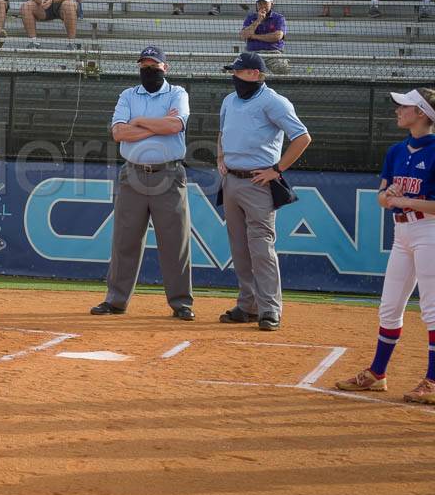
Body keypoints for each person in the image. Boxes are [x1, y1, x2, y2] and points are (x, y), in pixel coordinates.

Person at [334, 89, 435, 404]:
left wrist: (400, 198)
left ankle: (432, 380)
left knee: (432, 310)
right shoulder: (396, 150)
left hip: (429, 231)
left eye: (404, 106)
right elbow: (381, 197)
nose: (397, 110)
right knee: (389, 308)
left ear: (420, 112)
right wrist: (390, 195)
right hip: (402, 232)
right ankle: (377, 374)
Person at [91, 46, 194, 320]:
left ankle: (181, 303)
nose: (148, 70)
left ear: (165, 68)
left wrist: (138, 122)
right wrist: (157, 124)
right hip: (132, 174)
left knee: (175, 241)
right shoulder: (127, 95)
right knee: (125, 240)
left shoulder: (177, 93)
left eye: (154, 65)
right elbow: (118, 132)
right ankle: (116, 300)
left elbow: (175, 127)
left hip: (168, 174)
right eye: (144, 66)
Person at [216, 52, 311, 331]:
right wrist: (220, 157)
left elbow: (302, 137)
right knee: (240, 248)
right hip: (231, 180)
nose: (234, 77)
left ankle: (270, 309)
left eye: (239, 72)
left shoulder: (274, 101)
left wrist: (277, 169)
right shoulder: (229, 100)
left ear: (255, 74)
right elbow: (222, 132)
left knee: (261, 248)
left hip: (258, 182)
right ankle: (248, 305)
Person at [239, 0, 288, 74]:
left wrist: (254, 36)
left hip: (273, 53)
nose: (262, 6)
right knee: (233, 70)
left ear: (271, 4)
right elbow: (243, 36)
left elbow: (277, 36)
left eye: (265, 3)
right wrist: (258, 20)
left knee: (283, 70)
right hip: (251, 53)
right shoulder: (250, 17)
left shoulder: (279, 18)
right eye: (259, 3)